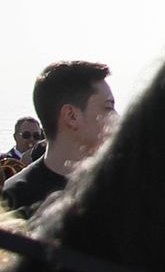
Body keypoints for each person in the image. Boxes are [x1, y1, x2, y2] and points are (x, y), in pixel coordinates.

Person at [2, 61, 115, 220]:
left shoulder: (123, 191)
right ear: (71, 116)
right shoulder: (11, 202)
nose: (117, 118)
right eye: (108, 108)